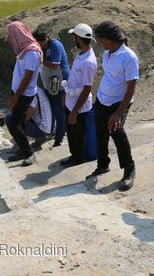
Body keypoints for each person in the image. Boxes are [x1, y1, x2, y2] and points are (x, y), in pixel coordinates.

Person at [86, 21, 138, 191]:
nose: (98, 43)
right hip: (103, 99)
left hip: (119, 102)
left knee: (117, 133)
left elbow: (131, 89)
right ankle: (103, 165)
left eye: (99, 39)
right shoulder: (108, 53)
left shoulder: (128, 57)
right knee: (100, 132)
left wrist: (117, 113)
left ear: (107, 40)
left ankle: (129, 169)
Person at [60, 23, 98, 168]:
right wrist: (66, 96)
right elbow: (74, 80)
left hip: (79, 106)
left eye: (74, 36)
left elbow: (87, 89)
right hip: (72, 100)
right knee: (71, 131)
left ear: (79, 38)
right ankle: (74, 155)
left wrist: (75, 111)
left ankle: (78, 158)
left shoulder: (88, 62)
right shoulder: (81, 54)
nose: (74, 39)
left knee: (77, 134)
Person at [6, 21, 43, 166]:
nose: (11, 39)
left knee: (15, 125)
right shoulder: (25, 50)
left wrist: (16, 97)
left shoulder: (32, 52)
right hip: (20, 93)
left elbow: (28, 77)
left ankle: (29, 153)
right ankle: (22, 150)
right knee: (19, 124)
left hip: (24, 95)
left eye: (11, 35)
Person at [33, 30, 70, 147]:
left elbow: (55, 64)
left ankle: (59, 139)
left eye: (37, 43)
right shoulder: (43, 46)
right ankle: (50, 132)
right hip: (49, 85)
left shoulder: (55, 45)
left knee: (59, 112)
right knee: (49, 110)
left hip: (60, 85)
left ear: (44, 40)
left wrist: (39, 59)